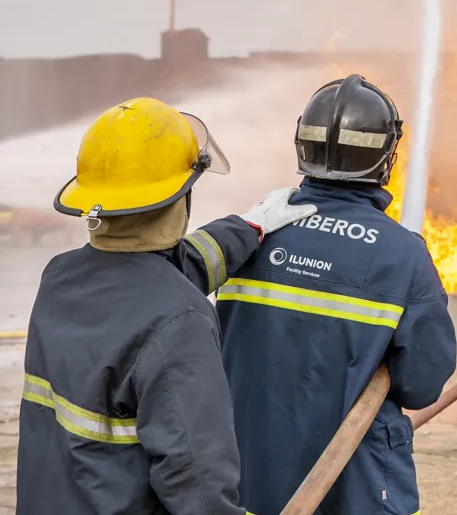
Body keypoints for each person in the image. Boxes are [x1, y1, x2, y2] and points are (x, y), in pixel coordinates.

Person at [19, 97, 315, 514]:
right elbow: (200, 485)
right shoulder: (179, 320)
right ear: (181, 197)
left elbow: (160, 275)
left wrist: (249, 227)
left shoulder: (60, 278)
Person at [217, 74, 456, 515]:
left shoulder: (250, 233)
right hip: (354, 485)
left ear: (302, 147)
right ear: (385, 156)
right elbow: (422, 384)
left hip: (246, 474)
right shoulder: (402, 255)